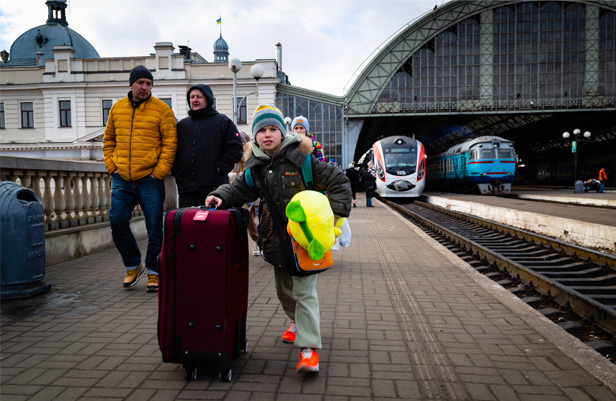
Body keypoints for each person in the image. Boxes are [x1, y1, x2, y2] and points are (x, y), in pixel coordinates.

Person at [205, 105, 352, 375]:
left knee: (305, 293)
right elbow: (239, 188)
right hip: (275, 242)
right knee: (285, 292)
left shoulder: (302, 159)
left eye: (273, 129)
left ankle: (309, 350)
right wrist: (220, 196)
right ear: (256, 136)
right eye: (261, 130)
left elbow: (339, 181)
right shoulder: (255, 167)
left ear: (282, 133)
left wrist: (333, 215)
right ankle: (297, 322)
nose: (267, 135)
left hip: (304, 242)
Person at [103, 65, 177, 293]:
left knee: (155, 226)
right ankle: (133, 264)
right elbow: (108, 141)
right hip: (122, 178)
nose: (144, 87)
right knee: (116, 221)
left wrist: (159, 172)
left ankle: (154, 271)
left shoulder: (162, 110)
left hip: (150, 179)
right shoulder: (117, 109)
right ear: (131, 84)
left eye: (148, 83)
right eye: (140, 83)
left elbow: (170, 145)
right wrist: (112, 167)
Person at [172, 84, 243, 207]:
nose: (195, 99)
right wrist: (177, 171)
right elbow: (172, 150)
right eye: (192, 97)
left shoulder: (222, 121)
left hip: (215, 189)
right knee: (188, 224)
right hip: (186, 189)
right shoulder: (182, 125)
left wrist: (218, 169)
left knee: (213, 224)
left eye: (199, 96)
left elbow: (235, 150)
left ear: (208, 99)